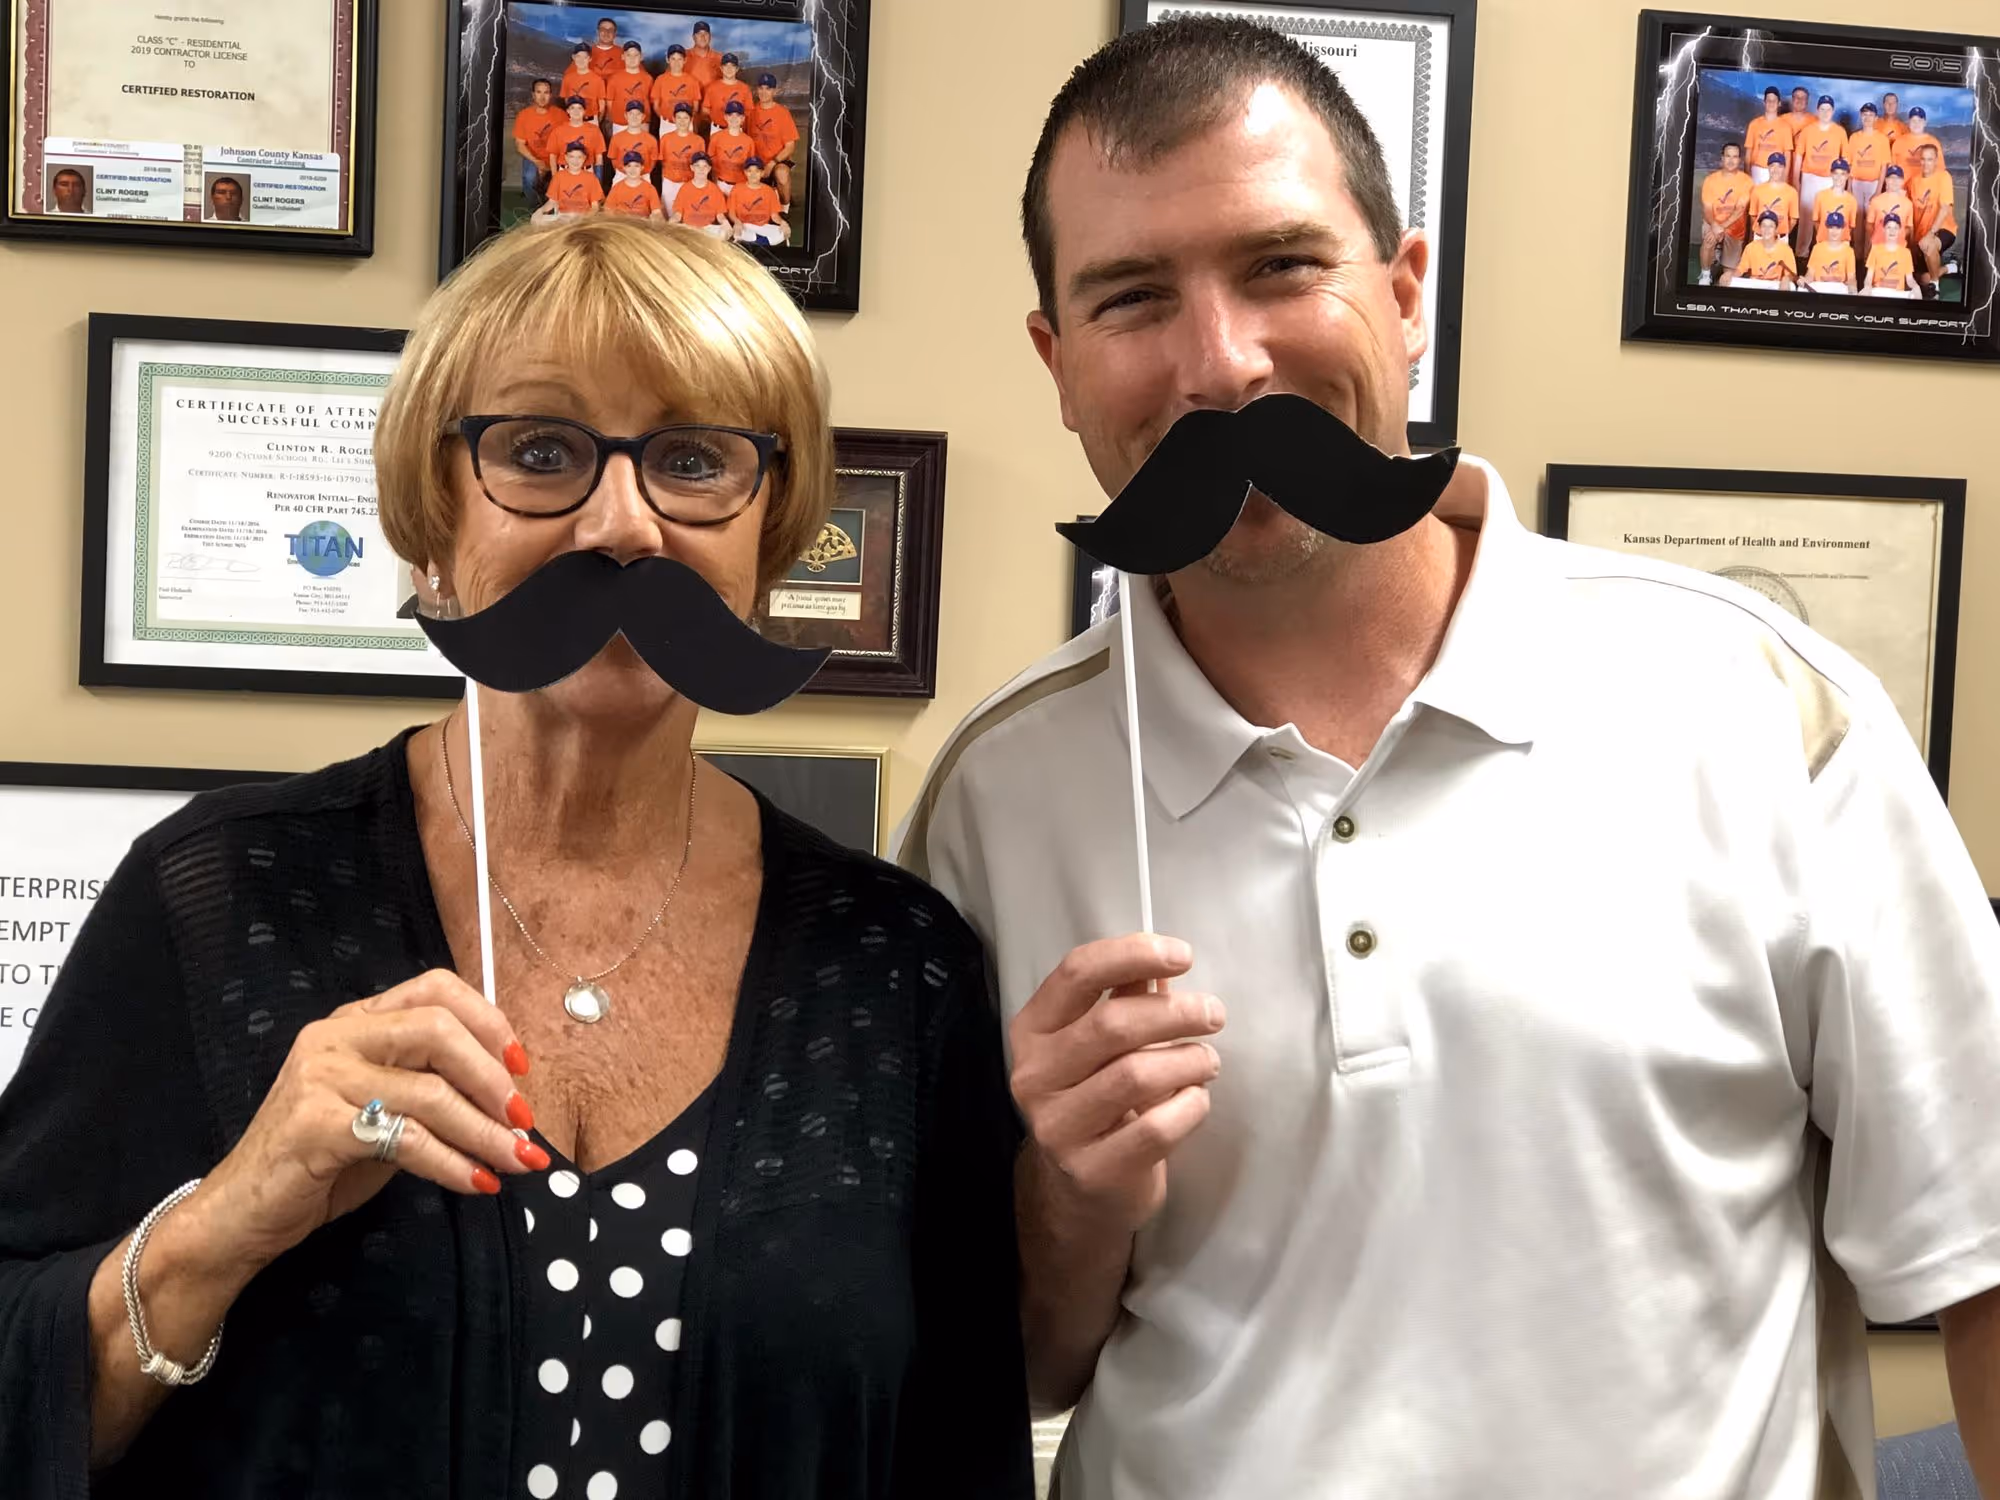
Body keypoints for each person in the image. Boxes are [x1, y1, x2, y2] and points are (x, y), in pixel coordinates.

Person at [896, 16, 2000, 1498]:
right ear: (1056, 360)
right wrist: (1074, 1201)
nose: (1220, 366)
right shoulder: (993, 796)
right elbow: (1007, 1365)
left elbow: (1980, 1256)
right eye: (1131, 297)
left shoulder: (1766, 710)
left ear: (1406, 294)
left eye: (1284, 267)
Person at [0, 214, 1032, 1500]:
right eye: (541, 452)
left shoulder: (893, 967)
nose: (622, 527)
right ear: (432, 523)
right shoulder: (219, 897)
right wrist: (229, 1216)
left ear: (766, 540)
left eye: (694, 459)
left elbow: (963, 1444)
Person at [1793, 94, 1846, 255]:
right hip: (1810, 177)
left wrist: (1843, 185)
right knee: (1806, 218)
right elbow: (1798, 157)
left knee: (1828, 218)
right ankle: (1801, 253)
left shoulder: (1839, 132)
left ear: (1833, 111)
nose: (1825, 112)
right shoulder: (1808, 131)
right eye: (1822, 109)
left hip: (1831, 180)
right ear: (1817, 110)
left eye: (1828, 109)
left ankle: (1825, 255)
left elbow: (1845, 160)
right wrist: (1796, 180)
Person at [1697, 141, 1752, 285]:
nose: (1731, 160)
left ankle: (1722, 257)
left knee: (1728, 276)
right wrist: (1715, 226)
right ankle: (1705, 274)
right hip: (1713, 222)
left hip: (1735, 227)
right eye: (1728, 156)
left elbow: (1740, 210)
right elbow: (1707, 209)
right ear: (1721, 158)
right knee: (1708, 240)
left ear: (1739, 160)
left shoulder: (1746, 181)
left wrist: (1722, 227)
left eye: (1735, 157)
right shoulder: (1710, 180)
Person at [1909, 142, 1960, 296]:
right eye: (1923, 159)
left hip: (1943, 229)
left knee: (1929, 245)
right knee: (1923, 279)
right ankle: (1950, 268)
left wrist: (1931, 233)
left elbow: (1945, 208)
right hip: (1921, 235)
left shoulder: (1944, 176)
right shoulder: (1914, 181)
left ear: (1936, 160)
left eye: (1930, 159)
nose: (1926, 163)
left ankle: (1935, 288)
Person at [748, 72, 801, 209]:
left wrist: (772, 163)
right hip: (757, 161)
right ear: (757, 90)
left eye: (768, 88)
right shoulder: (751, 112)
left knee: (781, 173)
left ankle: (785, 207)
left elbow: (790, 146)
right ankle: (773, 192)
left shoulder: (782, 113)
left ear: (775, 91)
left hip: (777, 161)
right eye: (761, 88)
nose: (764, 92)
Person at [513, 78, 564, 209]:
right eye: (539, 92)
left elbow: (566, 140)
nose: (542, 97)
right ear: (533, 95)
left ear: (550, 95)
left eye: (546, 93)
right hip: (533, 156)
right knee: (529, 177)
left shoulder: (560, 115)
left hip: (556, 157)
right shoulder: (524, 116)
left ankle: (553, 205)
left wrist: (555, 163)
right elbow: (520, 145)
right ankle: (535, 207)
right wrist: (537, 162)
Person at [1846, 102, 1892, 235]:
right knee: (1857, 219)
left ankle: (1867, 254)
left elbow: (1884, 165)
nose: (1867, 118)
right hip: (1857, 183)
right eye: (1865, 115)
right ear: (1861, 116)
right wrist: (1849, 187)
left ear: (1876, 118)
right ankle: (1858, 253)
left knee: (1871, 221)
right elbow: (1850, 163)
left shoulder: (1882, 139)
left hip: (1873, 183)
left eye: (1871, 115)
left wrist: (1878, 190)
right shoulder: (1854, 138)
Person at [1724, 208, 1798, 288]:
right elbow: (1741, 269)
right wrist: (1730, 275)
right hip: (1756, 284)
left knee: (1791, 286)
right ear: (1759, 228)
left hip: (1774, 285)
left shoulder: (1786, 249)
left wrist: (1786, 279)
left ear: (1776, 229)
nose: (1767, 230)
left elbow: (1791, 274)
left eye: (1771, 226)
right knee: (1730, 281)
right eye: (1764, 226)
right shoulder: (1751, 247)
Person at [534, 141, 604, 220]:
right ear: (566, 157)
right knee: (537, 219)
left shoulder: (591, 178)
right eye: (571, 157)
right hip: (563, 216)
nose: (575, 161)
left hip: (583, 217)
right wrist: (540, 212)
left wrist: (584, 219)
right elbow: (552, 202)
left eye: (579, 157)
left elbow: (595, 207)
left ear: (584, 158)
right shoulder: (558, 176)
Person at [670, 153, 731, 236]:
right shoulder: (685, 188)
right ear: (692, 168)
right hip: (689, 227)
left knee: (725, 232)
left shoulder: (715, 189)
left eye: (705, 166)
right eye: (697, 166)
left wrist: (725, 223)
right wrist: (669, 224)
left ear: (709, 169)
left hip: (708, 228)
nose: (701, 169)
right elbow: (678, 214)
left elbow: (720, 215)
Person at [731, 158, 788, 245]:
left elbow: (774, 215)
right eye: (749, 171)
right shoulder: (737, 189)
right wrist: (737, 222)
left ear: (762, 173)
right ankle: (761, 242)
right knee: (738, 233)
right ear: (745, 173)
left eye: (757, 171)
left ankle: (757, 241)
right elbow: (731, 212)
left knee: (782, 232)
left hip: (763, 226)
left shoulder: (769, 191)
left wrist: (782, 222)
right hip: (745, 225)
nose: (753, 174)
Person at [1810, 157, 1858, 259]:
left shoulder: (1851, 200)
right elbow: (1816, 221)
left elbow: (1850, 226)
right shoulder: (1820, 196)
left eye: (1843, 174)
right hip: (1823, 241)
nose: (1839, 177)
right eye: (1836, 173)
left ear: (1847, 176)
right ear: (1831, 174)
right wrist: (1825, 237)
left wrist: (1839, 240)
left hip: (1843, 244)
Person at [1748, 152, 1799, 247]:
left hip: (1781, 238)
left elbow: (1793, 220)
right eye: (1772, 166)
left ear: (1784, 168)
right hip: (1760, 237)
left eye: (1779, 166)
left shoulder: (1792, 192)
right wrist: (1763, 232)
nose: (1775, 170)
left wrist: (1780, 233)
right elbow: (1753, 216)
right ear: (1768, 167)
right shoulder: (1757, 190)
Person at [708, 102, 758, 195]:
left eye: (738, 115)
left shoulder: (748, 141)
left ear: (743, 118)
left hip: (740, 185)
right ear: (725, 117)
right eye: (730, 115)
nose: (734, 118)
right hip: (721, 183)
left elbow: (750, 168)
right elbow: (711, 163)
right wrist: (715, 184)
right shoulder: (716, 138)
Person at [1803, 207, 1857, 293]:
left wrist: (1852, 286)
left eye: (1838, 228)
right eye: (1831, 227)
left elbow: (1851, 278)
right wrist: (1805, 280)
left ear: (1843, 229)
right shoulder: (1817, 248)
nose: (1834, 231)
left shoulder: (1848, 251)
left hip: (1838, 288)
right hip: (1819, 287)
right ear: (1827, 228)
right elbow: (1810, 274)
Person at [1865, 211, 1919, 296]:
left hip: (1898, 293)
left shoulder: (1906, 253)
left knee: (1915, 295)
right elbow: (1869, 277)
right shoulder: (1875, 250)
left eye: (1895, 228)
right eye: (1888, 227)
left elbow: (1910, 279)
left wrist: (1916, 287)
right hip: (1878, 291)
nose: (1892, 231)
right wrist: (1867, 286)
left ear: (1899, 230)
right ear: (1883, 229)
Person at [605, 41, 654, 133]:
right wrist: (618, 117)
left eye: (636, 55)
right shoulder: (614, 78)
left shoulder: (648, 78)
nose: (632, 58)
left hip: (642, 123)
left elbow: (651, 101)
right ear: (623, 57)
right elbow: (609, 102)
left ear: (641, 57)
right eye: (628, 55)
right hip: (620, 123)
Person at [660, 104, 705, 204]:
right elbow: (662, 163)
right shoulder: (665, 139)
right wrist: (666, 182)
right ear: (673, 119)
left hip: (689, 182)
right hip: (670, 182)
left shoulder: (698, 141)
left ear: (691, 119)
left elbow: (701, 165)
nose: (682, 121)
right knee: (670, 215)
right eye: (679, 117)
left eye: (685, 118)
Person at [652, 45, 703, 132]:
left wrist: (688, 120)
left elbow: (696, 106)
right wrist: (664, 119)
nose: (676, 63)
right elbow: (656, 106)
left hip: (687, 124)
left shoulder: (692, 80)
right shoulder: (660, 80)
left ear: (685, 60)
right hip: (667, 124)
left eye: (679, 59)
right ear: (667, 60)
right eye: (673, 59)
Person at [1745, 86, 1790, 185]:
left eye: (1774, 100)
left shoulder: (1786, 127)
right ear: (1764, 102)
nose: (1771, 103)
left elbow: (1787, 155)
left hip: (1776, 171)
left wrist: (1784, 178)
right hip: (1756, 170)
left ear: (1779, 103)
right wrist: (1747, 174)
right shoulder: (1754, 124)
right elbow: (1749, 152)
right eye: (1768, 100)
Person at [551, 98, 607, 176]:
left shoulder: (594, 130)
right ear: (567, 111)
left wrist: (598, 179)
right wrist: (554, 177)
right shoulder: (558, 131)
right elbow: (553, 155)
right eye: (572, 108)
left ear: (584, 111)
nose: (576, 111)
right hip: (564, 171)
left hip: (587, 171)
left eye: (579, 108)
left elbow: (599, 157)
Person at [609, 98, 659, 184]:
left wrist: (640, 173)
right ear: (625, 115)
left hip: (643, 176)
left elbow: (653, 162)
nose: (634, 117)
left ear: (643, 117)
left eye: (638, 114)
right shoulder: (616, 138)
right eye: (631, 114)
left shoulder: (651, 140)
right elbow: (614, 161)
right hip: (622, 176)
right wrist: (626, 172)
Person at [604, 151, 665, 219]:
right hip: (621, 225)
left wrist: (655, 218)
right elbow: (607, 210)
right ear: (624, 168)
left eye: (636, 166)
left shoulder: (650, 189)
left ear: (642, 168)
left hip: (642, 226)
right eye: (629, 166)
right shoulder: (616, 188)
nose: (632, 170)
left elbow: (657, 212)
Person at [1892, 106, 1942, 189]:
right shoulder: (1898, 142)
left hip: (1925, 190)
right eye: (1913, 121)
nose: (1916, 124)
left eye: (1919, 120)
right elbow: (1892, 169)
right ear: (1908, 123)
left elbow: (1940, 169)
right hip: (1902, 190)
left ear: (1925, 122)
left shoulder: (1933, 142)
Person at [561, 42, 609, 127]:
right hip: (573, 120)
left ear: (590, 59)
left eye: (585, 57)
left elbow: (602, 106)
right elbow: (566, 100)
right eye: (578, 56)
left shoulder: (597, 79)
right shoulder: (567, 78)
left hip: (591, 120)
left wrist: (596, 120)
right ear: (573, 57)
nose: (581, 60)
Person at [1868, 163, 1915, 250]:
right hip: (1879, 246)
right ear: (1886, 180)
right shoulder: (1876, 201)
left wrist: (1901, 236)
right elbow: (1869, 225)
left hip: (1899, 247)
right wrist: (1875, 239)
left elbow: (1909, 227)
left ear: (1902, 181)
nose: (1894, 181)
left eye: (1898, 178)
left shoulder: (1908, 204)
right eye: (1891, 178)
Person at [704, 53, 754, 126]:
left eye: (732, 66)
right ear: (721, 68)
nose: (729, 69)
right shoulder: (712, 87)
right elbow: (705, 109)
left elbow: (748, 111)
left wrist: (737, 121)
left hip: (737, 129)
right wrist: (717, 117)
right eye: (726, 66)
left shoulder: (744, 88)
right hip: (717, 128)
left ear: (737, 69)